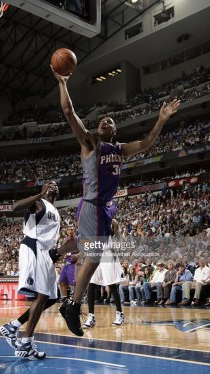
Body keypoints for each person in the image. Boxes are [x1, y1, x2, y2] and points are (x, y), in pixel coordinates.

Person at [52, 66, 180, 336]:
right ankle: (73, 307)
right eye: (102, 120)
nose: (105, 122)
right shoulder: (90, 144)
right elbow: (69, 113)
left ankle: (71, 302)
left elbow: (145, 144)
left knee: (93, 254)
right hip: (91, 204)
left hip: (105, 208)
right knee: (94, 256)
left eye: (110, 121)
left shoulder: (119, 150)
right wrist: (63, 82)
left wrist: (162, 119)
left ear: (115, 129)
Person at [0, 181, 61, 360]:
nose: (54, 185)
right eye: (50, 184)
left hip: (45, 252)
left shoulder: (55, 210)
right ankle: (26, 343)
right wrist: (38, 195)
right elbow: (14, 207)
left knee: (52, 296)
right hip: (34, 246)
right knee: (41, 295)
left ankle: (13, 326)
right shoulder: (39, 202)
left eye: (56, 185)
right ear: (45, 189)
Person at [83, 219, 125, 328]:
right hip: (95, 254)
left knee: (111, 285)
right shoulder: (92, 222)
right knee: (91, 284)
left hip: (107, 255)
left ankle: (120, 314)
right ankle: (91, 316)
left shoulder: (111, 220)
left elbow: (117, 234)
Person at [59, 226, 78, 302]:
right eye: (69, 230)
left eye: (72, 230)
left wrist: (77, 255)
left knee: (74, 283)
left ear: (74, 231)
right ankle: (65, 298)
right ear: (67, 231)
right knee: (61, 281)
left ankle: (75, 299)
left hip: (74, 263)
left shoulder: (77, 239)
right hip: (67, 262)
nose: (70, 231)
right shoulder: (65, 240)